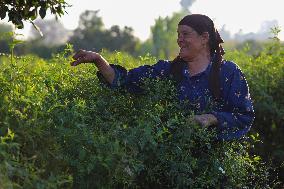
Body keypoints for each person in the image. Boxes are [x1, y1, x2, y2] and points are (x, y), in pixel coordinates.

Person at [70, 14, 254, 141]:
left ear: (204, 38)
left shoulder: (228, 72)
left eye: (185, 34)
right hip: (171, 162)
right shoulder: (167, 70)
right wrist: (99, 61)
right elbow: (124, 81)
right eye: (178, 35)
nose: (179, 39)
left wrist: (211, 118)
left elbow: (244, 116)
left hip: (213, 167)